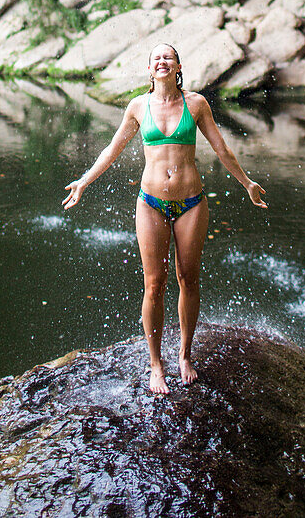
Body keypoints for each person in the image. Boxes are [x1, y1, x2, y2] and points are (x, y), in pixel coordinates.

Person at [62, 42, 268, 396]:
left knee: (188, 278)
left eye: (168, 57)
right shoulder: (138, 106)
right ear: (149, 70)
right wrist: (84, 181)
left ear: (178, 66)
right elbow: (112, 149)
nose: (162, 61)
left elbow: (222, 148)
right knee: (154, 284)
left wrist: (247, 183)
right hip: (150, 203)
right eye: (156, 58)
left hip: (191, 203)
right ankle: (156, 364)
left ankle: (185, 356)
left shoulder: (197, 104)